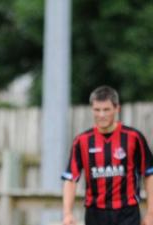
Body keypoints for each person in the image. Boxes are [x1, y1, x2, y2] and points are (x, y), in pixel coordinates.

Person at [62, 85, 153, 225]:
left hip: (127, 213)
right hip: (95, 214)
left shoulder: (134, 137)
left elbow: (149, 175)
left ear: (117, 108)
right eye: (97, 110)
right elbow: (70, 179)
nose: (101, 115)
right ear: (92, 109)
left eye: (106, 109)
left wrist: (151, 213)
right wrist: (67, 213)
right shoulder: (82, 141)